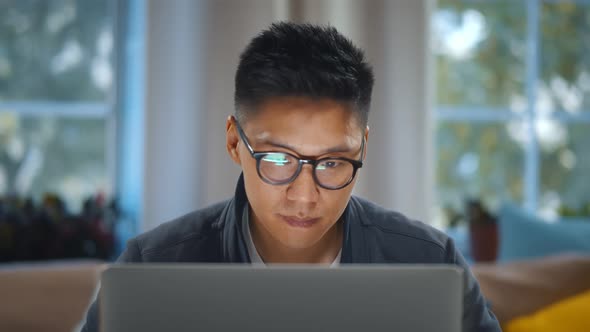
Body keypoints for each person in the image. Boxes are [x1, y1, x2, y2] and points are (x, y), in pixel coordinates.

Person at [82, 22, 501, 332]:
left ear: (363, 148)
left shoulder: (429, 263)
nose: (305, 197)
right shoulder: (151, 268)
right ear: (234, 142)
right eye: (279, 160)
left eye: (333, 163)